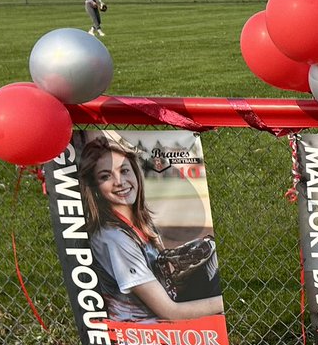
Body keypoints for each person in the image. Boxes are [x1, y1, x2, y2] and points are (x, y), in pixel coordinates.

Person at [80, 136, 223, 322]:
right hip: (143, 330)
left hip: (159, 319)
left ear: (136, 174)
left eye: (124, 171)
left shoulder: (139, 222)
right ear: (95, 188)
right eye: (105, 176)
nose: (119, 181)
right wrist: (225, 303)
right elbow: (170, 313)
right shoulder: (114, 238)